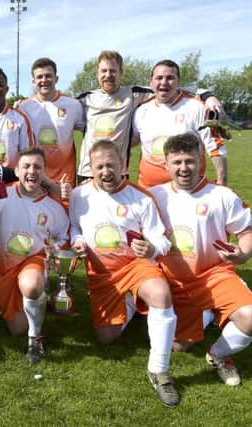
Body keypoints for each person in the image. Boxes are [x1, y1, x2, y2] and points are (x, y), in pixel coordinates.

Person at [69, 140, 179, 406]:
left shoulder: (141, 196)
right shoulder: (78, 195)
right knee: (107, 338)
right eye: (99, 167)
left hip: (135, 265)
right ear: (91, 169)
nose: (106, 171)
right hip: (102, 274)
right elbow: (73, 228)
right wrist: (78, 241)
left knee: (160, 294)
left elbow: (161, 240)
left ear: (123, 165)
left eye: (111, 165)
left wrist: (151, 247)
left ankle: (159, 370)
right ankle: (132, 302)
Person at [150, 133, 252, 387]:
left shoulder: (222, 195)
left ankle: (218, 355)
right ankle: (206, 313)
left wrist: (242, 253)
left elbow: (246, 231)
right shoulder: (153, 196)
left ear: (200, 161)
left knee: (250, 317)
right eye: (177, 162)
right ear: (166, 164)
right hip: (173, 281)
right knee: (179, 346)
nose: (184, 168)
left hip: (214, 275)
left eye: (190, 161)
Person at [0, 146, 69, 365]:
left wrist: (54, 251)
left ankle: (35, 339)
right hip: (3, 268)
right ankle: (37, 303)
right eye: (26, 166)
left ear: (45, 172)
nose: (32, 171)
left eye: (38, 167)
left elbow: (64, 236)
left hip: (33, 261)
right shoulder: (1, 193)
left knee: (32, 285)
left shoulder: (53, 206)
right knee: (18, 328)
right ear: (16, 170)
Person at [76, 50, 222, 183]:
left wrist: (208, 96)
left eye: (113, 71)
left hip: (118, 171)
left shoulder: (133, 94)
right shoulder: (84, 99)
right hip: (88, 171)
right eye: (104, 71)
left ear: (121, 73)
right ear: (97, 74)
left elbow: (172, 88)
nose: (108, 75)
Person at [133, 59, 227, 188]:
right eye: (159, 78)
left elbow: (216, 148)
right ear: (151, 82)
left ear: (178, 82)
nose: (164, 82)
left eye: (170, 78)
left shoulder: (197, 107)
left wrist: (222, 182)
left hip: (188, 190)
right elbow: (132, 141)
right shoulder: (141, 110)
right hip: (149, 190)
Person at [15, 58, 84, 186]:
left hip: (64, 178)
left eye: (48, 76)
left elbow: (88, 133)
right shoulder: (23, 107)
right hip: (34, 177)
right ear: (33, 81)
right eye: (39, 77)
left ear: (56, 78)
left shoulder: (73, 105)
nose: (44, 80)